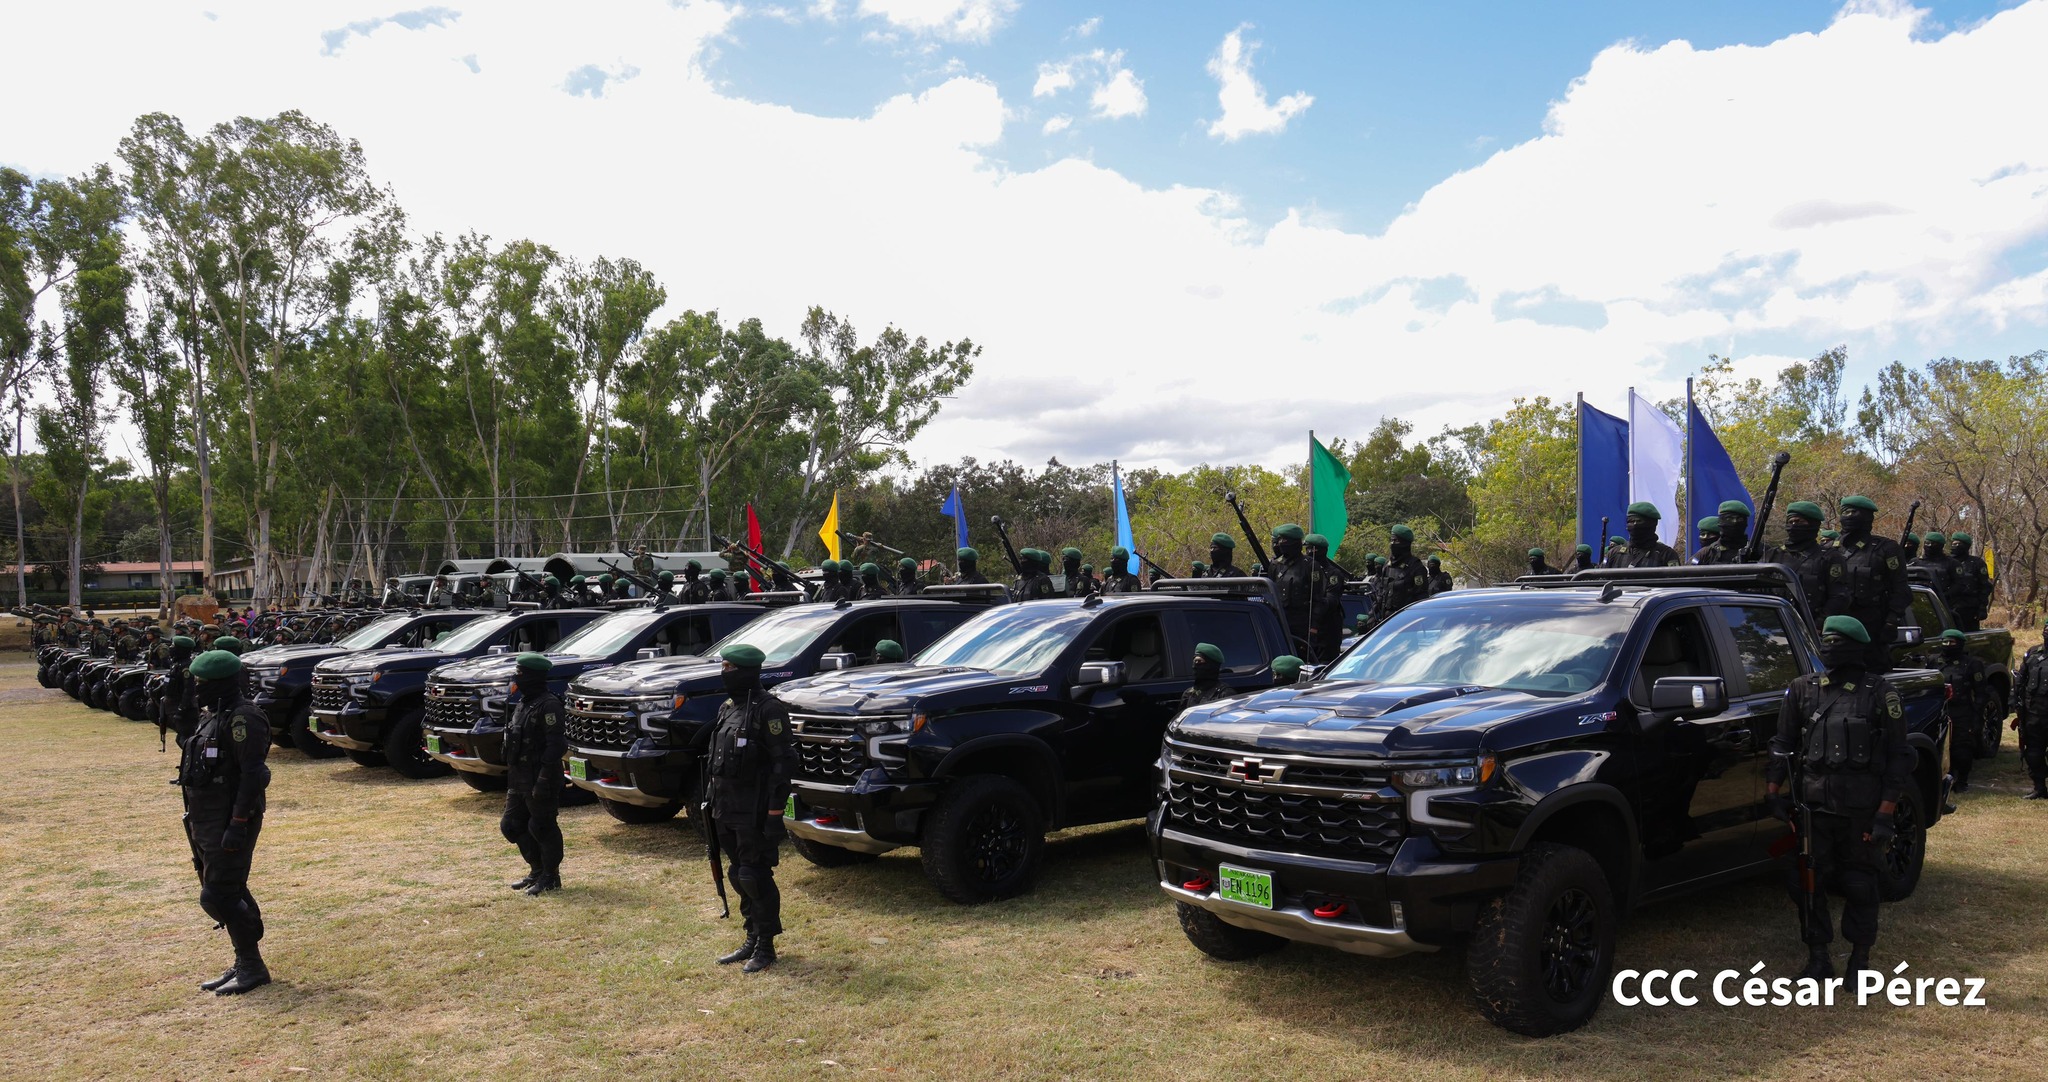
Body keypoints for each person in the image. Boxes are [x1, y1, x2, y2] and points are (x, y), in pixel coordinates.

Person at [1765, 615, 1913, 980]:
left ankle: (1859, 961)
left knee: (1860, 883)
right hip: (1813, 809)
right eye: (1825, 641)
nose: (1828, 647)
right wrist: (1774, 791)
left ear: (1853, 646)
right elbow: (1782, 744)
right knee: (1807, 881)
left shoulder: (1881, 693)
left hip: (1862, 809)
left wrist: (1885, 813)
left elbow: (1898, 756)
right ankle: (1818, 957)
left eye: (1836, 641)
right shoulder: (1803, 689)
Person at [177, 648, 273, 995]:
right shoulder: (213, 715)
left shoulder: (244, 719)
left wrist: (237, 822)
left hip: (231, 816)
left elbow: (252, 775)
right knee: (227, 887)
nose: (197, 689)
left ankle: (253, 965)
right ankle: (244, 958)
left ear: (223, 684)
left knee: (218, 895)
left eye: (202, 683)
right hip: (205, 816)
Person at [703, 643, 794, 973]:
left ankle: (767, 945)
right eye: (723, 667)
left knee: (754, 875)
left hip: (754, 809)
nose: (724, 674)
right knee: (736, 873)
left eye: (729, 669)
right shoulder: (728, 707)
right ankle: (751, 936)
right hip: (724, 806)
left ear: (747, 671)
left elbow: (783, 765)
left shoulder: (769, 710)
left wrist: (774, 813)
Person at [500, 653, 566, 896]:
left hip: (541, 777)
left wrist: (545, 779)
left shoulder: (549, 705)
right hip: (519, 777)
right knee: (511, 825)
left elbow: (556, 745)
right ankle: (537, 870)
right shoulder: (523, 703)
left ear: (534, 676)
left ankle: (551, 876)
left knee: (542, 826)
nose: (516, 678)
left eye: (520, 674)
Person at [1834, 496, 1911, 672]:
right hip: (1835, 630)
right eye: (1846, 512)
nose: (1850, 516)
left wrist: (1891, 622)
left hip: (1872, 631)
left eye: (1855, 512)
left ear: (1868, 517)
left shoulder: (1886, 548)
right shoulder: (1831, 549)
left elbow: (1901, 589)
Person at [1933, 629, 1988, 794]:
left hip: (1962, 711)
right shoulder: (1934, 662)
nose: (1948, 645)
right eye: (1945, 642)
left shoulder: (1972, 664)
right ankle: (1942, 780)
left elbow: (1981, 693)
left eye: (1952, 643)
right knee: (1940, 747)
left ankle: (1962, 780)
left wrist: (1977, 715)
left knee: (1961, 748)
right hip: (1939, 711)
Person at [1774, 502, 1844, 624]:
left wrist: (1819, 624)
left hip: (1811, 627)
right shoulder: (1773, 555)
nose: (1794, 525)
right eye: (1791, 522)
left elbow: (1839, 596)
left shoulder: (1829, 557)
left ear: (1813, 525)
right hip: (1774, 626)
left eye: (1799, 521)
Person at [1263, 525, 1316, 661]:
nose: (1281, 544)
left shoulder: (1309, 565)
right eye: (1280, 540)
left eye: (1285, 541)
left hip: (1301, 625)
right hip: (1279, 621)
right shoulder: (1275, 565)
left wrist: (1313, 628)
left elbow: (1318, 600)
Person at [2013, 625, 2048, 799]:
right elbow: (2020, 680)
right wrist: (2016, 703)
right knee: (2033, 753)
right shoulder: (2033, 654)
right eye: (2047, 628)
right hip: (2034, 715)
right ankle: (2039, 788)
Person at [1375, 525, 1430, 621]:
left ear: (1405, 544)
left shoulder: (1416, 567)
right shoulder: (1387, 566)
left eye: (1396, 541)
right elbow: (1381, 592)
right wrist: (1373, 613)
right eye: (1391, 540)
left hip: (1406, 621)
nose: (1392, 544)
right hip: (1386, 620)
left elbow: (1421, 597)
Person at [1604, 502, 1682, 568]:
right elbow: (1600, 580)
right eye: (1631, 521)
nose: (1634, 525)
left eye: (1639, 521)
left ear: (1652, 524)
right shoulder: (1614, 553)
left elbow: (1676, 583)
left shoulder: (1666, 555)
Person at [1947, 532, 1992, 632]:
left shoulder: (1977, 563)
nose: (1954, 547)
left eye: (1958, 544)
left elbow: (1985, 586)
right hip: (1948, 606)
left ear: (1966, 546)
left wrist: (1982, 607)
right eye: (1953, 544)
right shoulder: (1946, 562)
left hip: (1969, 608)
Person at [1179, 643, 1235, 709]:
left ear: (1211, 665)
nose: (1195, 666)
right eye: (1194, 661)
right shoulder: (1189, 694)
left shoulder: (1225, 694)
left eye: (1199, 661)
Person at [1912, 531, 1959, 605]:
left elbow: (1958, 584)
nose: (1930, 546)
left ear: (1941, 546)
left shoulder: (1951, 563)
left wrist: (1944, 595)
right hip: (1917, 600)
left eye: (1934, 544)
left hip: (1943, 602)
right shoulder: (1915, 562)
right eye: (1927, 543)